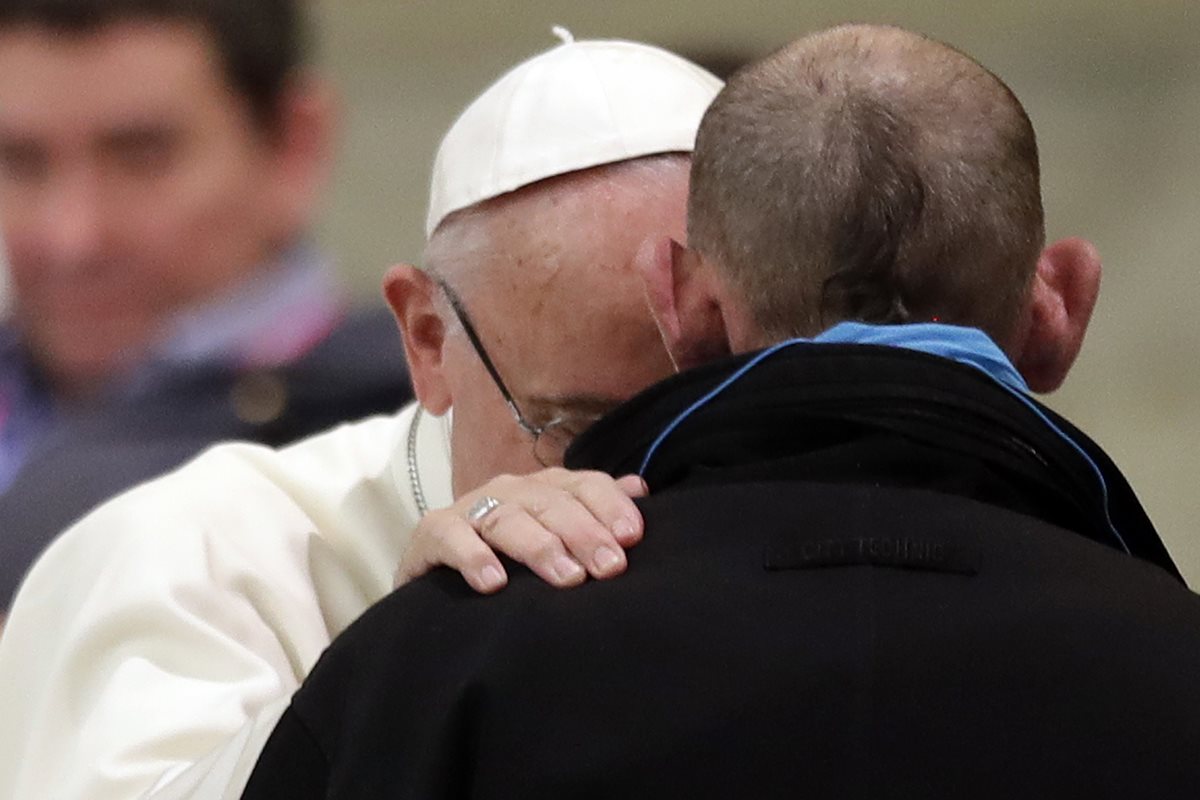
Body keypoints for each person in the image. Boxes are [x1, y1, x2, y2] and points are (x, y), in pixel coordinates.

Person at [242, 24, 1200, 799]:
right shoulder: (1173, 668)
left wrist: (417, 636)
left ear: (686, 308)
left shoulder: (439, 675)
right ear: (1061, 303)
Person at [0, 35, 722, 800]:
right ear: (428, 340)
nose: (646, 494)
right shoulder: (192, 561)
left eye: (719, 416)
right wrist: (401, 660)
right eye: (579, 432)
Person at [0, 0, 412, 606]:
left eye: (141, 156)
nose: (73, 237)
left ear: (295, 145)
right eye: (21, 162)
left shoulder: (423, 446)